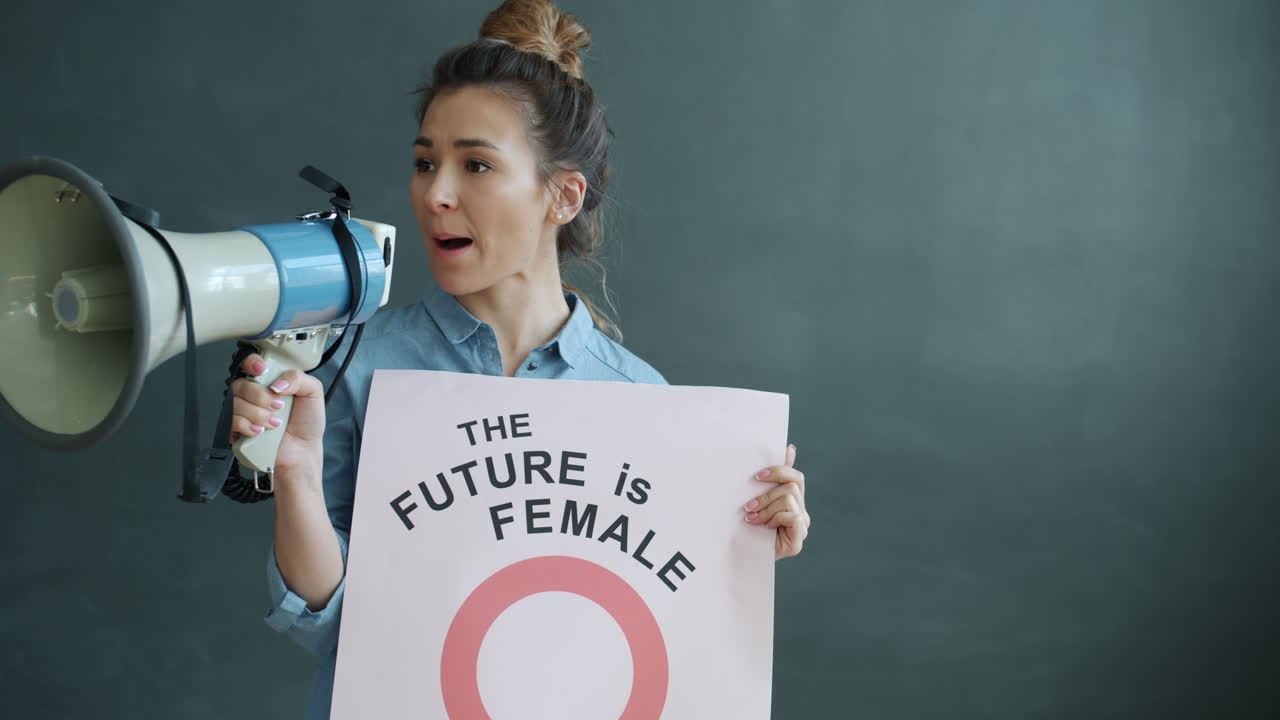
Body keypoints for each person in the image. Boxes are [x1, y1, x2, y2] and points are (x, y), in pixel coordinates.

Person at [229, 0, 811, 716]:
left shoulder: (644, 403)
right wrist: (293, 474)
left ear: (562, 196)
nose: (436, 194)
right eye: (425, 163)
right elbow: (331, 620)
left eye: (475, 164)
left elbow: (664, 634)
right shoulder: (355, 366)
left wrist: (742, 549)